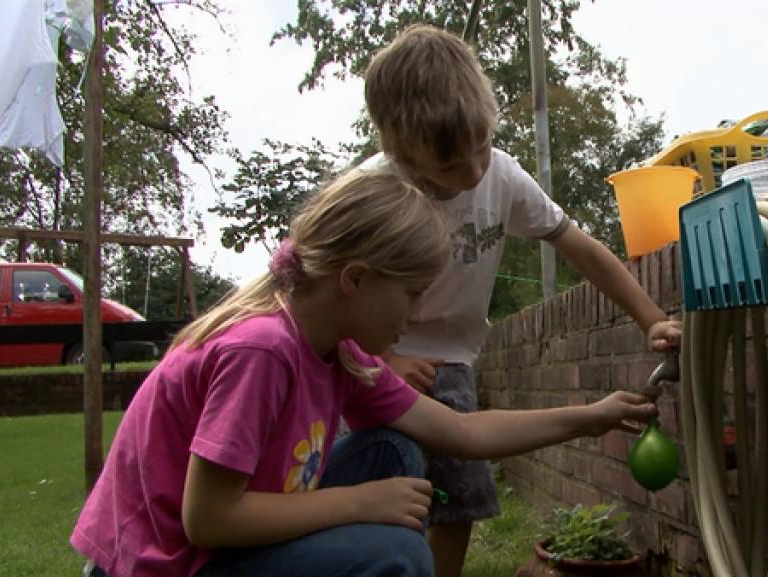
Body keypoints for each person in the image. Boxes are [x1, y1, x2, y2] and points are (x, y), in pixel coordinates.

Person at [69, 165, 659, 577]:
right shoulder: (262, 350)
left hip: (214, 550)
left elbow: (463, 433)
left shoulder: (340, 353)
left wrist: (593, 417)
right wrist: (359, 505)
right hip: (164, 567)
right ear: (354, 280)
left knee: (391, 451)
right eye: (412, 295)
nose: (418, 314)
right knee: (395, 556)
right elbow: (208, 518)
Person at [362, 24, 683, 577]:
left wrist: (650, 318)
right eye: (447, 167)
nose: (472, 173)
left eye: (482, 147)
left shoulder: (502, 176)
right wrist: (380, 360)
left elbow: (579, 247)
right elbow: (319, 297)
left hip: (453, 360)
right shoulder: (374, 192)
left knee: (459, 494)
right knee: (388, 493)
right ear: (400, 151)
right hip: (369, 361)